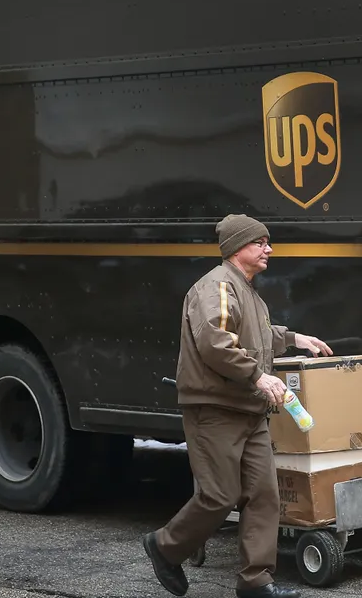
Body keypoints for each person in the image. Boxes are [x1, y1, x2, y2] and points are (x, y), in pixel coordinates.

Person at [143, 213, 332, 598]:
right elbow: (216, 343)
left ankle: (255, 582)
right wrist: (258, 377)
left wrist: (296, 338)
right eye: (261, 243)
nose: (269, 249)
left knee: (264, 495)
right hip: (215, 409)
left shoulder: (247, 291)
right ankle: (165, 547)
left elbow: (258, 337)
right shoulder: (216, 288)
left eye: (268, 242)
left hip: (248, 409)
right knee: (219, 495)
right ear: (237, 247)